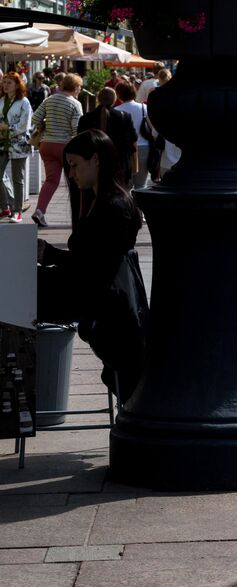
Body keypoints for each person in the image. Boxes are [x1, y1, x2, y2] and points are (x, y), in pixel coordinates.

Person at [35, 129, 146, 402]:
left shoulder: (114, 206)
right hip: (95, 298)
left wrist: (49, 255)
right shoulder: (104, 201)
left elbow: (93, 269)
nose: (71, 175)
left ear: (95, 159)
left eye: (74, 165)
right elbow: (91, 263)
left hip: (98, 304)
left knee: (11, 296)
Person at [29, 72, 83, 227]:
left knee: (51, 180)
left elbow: (35, 119)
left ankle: (40, 211)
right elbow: (76, 128)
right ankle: (78, 215)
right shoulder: (74, 103)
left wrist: (48, 123)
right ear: (76, 87)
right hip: (64, 146)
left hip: (46, 145)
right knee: (74, 181)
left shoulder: (49, 99)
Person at [78, 87, 139, 187]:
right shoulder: (124, 116)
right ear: (115, 99)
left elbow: (80, 143)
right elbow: (133, 140)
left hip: (93, 165)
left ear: (98, 98)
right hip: (119, 165)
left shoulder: (85, 119)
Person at [1, 72, 33, 222]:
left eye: (9, 83)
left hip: (18, 144)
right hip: (2, 143)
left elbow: (24, 125)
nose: (5, 85)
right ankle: (5, 206)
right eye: (4, 82)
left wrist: (6, 128)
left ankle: (17, 211)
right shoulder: (1, 100)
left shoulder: (24, 102)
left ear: (17, 85)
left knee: (17, 178)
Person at [112, 80, 150, 190]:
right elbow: (152, 129)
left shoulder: (116, 110)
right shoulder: (144, 108)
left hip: (123, 151)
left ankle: (127, 207)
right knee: (141, 185)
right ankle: (139, 207)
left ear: (118, 94)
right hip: (144, 147)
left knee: (124, 186)